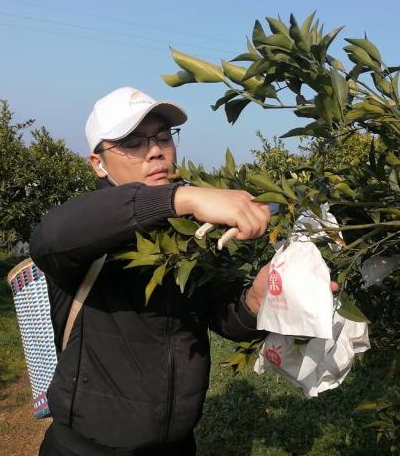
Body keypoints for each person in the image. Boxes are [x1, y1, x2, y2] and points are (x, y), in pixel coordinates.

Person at [30, 86, 273, 455]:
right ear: (97, 163)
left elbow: (223, 317)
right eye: (132, 142)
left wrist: (256, 300)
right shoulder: (84, 235)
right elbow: (50, 235)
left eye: (162, 137)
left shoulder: (193, 235)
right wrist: (185, 196)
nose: (156, 150)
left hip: (177, 445)